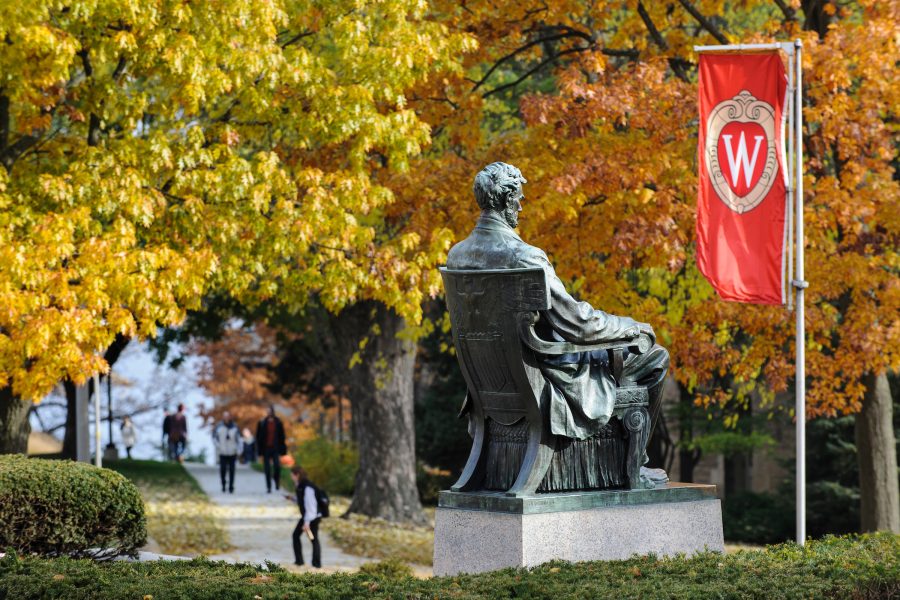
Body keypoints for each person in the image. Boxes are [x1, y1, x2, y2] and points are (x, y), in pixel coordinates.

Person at [446, 162, 670, 483]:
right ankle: (633, 469)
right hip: (545, 379)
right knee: (654, 356)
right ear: (507, 199)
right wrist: (630, 328)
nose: (521, 206)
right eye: (519, 199)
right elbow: (577, 324)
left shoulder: (458, 256)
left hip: (490, 383)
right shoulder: (525, 256)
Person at [288, 466, 321, 568]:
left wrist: (307, 523)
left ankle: (316, 563)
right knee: (297, 536)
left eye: (292, 475)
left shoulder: (307, 487)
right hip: (308, 516)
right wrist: (292, 499)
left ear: (297, 475)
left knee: (313, 538)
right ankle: (300, 561)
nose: (291, 477)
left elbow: (311, 507)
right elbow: (302, 501)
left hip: (312, 517)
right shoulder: (300, 485)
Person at [256, 405, 286, 492]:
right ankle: (268, 487)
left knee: (277, 466)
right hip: (266, 449)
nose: (269, 413)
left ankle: (276, 481)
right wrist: (259, 451)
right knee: (267, 469)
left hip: (275, 448)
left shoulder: (278, 422)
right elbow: (258, 437)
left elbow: (282, 436)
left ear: (273, 412)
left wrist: (283, 449)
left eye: (270, 411)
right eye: (267, 411)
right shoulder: (262, 423)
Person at [213, 411, 241, 493]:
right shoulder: (219, 426)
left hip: (232, 452)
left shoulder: (235, 427)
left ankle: (231, 486)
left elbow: (239, 439)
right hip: (223, 452)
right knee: (223, 470)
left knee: (232, 470)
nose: (226, 418)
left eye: (227, 416)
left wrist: (238, 449)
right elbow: (214, 438)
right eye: (224, 416)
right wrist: (218, 447)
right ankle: (223, 484)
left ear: (230, 417)